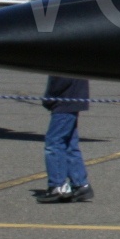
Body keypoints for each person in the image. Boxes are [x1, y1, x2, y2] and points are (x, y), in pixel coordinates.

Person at [34, 76, 93, 204]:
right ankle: (80, 185)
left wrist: (49, 98)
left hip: (64, 102)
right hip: (74, 100)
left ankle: (57, 186)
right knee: (69, 145)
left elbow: (59, 81)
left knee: (54, 143)